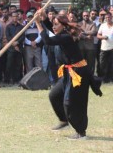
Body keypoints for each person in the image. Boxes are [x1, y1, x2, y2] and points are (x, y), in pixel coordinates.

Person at [35, 9, 102, 140]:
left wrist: (38, 23)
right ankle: (64, 120)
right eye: (53, 24)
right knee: (54, 95)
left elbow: (48, 40)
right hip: (69, 72)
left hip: (78, 73)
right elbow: (52, 29)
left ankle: (81, 132)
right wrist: (43, 19)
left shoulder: (66, 37)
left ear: (63, 25)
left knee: (73, 103)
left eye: (56, 24)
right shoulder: (62, 32)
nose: (53, 26)